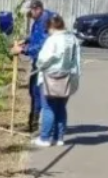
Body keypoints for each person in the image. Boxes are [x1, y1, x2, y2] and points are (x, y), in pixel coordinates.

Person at [33, 15, 80, 148]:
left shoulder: (52, 40)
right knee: (61, 108)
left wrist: (39, 65)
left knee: (48, 108)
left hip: (51, 78)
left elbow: (44, 59)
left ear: (51, 27)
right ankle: (59, 138)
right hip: (69, 77)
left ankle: (45, 138)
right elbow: (77, 61)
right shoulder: (73, 39)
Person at [13, 0, 55, 133]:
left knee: (41, 94)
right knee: (33, 91)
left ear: (37, 9)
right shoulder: (39, 20)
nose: (28, 16)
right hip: (39, 61)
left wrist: (24, 50)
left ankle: (39, 128)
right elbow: (35, 37)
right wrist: (25, 41)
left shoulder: (48, 21)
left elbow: (44, 45)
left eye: (30, 12)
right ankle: (33, 125)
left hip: (47, 64)